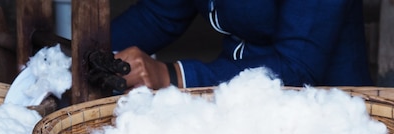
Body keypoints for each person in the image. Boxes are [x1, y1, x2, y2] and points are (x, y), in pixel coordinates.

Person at [111, 0, 373, 90]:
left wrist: (172, 75)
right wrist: (84, 53)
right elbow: (159, 15)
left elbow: (297, 66)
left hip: (325, 116)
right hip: (236, 99)